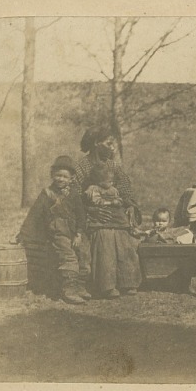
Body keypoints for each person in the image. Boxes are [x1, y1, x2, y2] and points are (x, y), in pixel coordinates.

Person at [76, 127, 142, 298]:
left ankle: (127, 282)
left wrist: (129, 205)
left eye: (114, 144)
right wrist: (90, 210)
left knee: (123, 240)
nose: (112, 148)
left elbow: (126, 188)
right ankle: (106, 284)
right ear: (96, 143)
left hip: (115, 214)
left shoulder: (113, 165)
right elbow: (73, 196)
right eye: (109, 144)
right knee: (104, 239)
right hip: (92, 216)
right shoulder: (83, 166)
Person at [17, 156, 90, 305]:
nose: (61, 179)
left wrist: (79, 234)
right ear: (52, 175)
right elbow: (35, 214)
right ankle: (68, 290)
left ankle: (79, 285)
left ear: (71, 179)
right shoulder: (47, 194)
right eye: (58, 175)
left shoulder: (74, 194)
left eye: (65, 176)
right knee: (68, 256)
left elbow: (81, 215)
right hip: (57, 232)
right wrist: (23, 234)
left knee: (84, 253)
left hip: (74, 231)